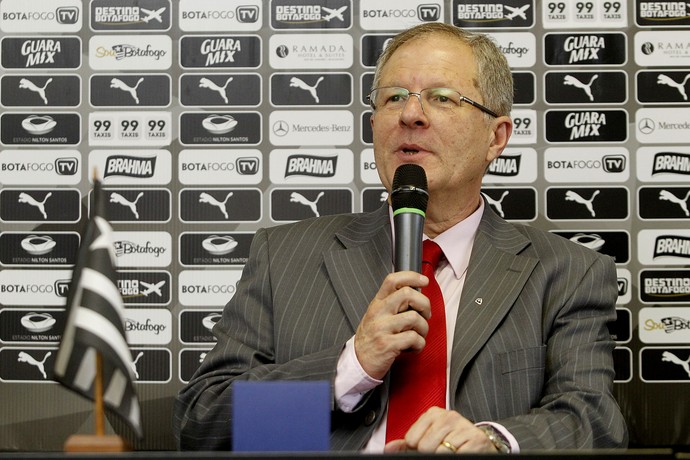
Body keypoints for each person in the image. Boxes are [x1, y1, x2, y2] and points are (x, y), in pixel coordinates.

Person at [173, 22, 628, 453]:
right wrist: (349, 369)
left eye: (443, 98)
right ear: (373, 126)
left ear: (496, 137)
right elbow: (204, 424)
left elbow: (594, 422)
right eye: (393, 97)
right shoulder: (285, 256)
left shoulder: (567, 273)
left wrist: (492, 441)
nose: (411, 114)